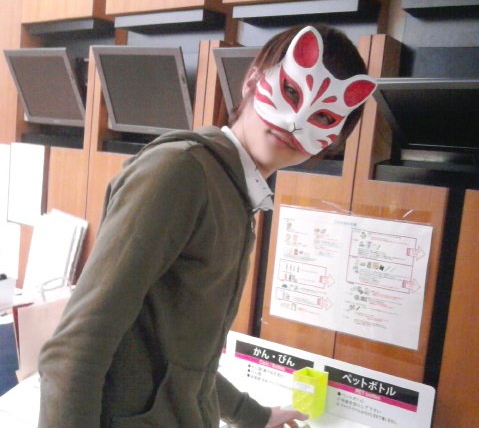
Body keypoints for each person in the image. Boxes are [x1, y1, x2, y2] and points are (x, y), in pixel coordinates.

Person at [38, 24, 376, 428]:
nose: (294, 121)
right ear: (252, 79)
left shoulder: (233, 192)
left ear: (335, 139)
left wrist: (255, 415)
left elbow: (185, 362)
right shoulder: (180, 171)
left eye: (323, 116)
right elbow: (74, 350)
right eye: (290, 91)